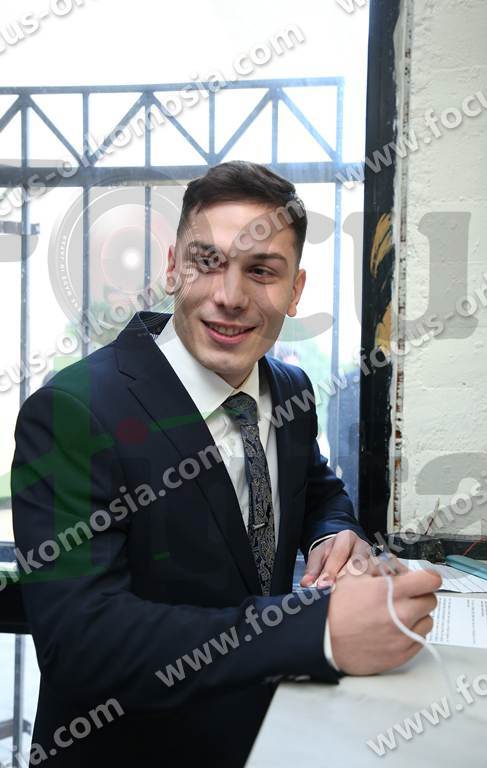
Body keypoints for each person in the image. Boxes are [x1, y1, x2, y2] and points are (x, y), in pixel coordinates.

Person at [11, 161, 440, 767]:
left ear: (295, 289)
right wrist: (316, 631)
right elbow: (81, 644)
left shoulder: (290, 389)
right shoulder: (71, 411)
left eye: (261, 270)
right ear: (172, 267)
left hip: (272, 737)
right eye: (206, 262)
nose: (230, 297)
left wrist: (333, 533)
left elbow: (317, 488)